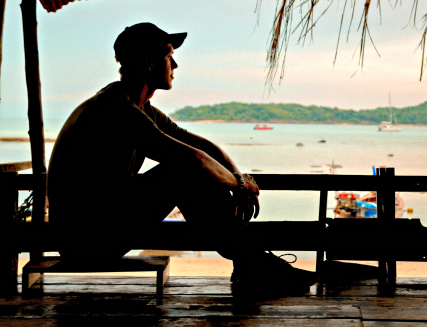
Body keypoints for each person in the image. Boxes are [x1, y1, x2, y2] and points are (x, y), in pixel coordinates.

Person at [47, 22, 316, 298]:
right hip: (85, 240)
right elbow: (192, 159)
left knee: (186, 167)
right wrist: (237, 182)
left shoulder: (140, 108)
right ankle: (251, 261)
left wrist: (239, 178)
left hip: (103, 225)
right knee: (181, 171)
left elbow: (199, 144)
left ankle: (249, 261)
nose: (175, 65)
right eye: (168, 57)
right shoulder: (117, 111)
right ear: (149, 64)